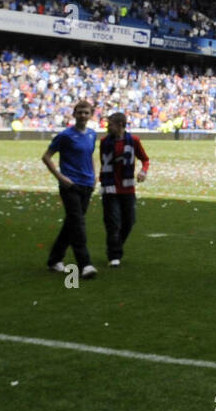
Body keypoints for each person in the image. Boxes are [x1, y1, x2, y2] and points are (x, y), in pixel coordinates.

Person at [42, 99, 98, 279]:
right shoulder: (65, 135)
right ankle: (85, 264)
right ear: (74, 114)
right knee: (78, 223)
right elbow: (46, 157)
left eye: (86, 112)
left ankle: (54, 259)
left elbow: (89, 156)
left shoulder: (92, 134)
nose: (83, 115)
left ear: (91, 115)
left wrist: (94, 176)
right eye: (79, 112)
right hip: (70, 185)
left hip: (87, 184)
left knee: (71, 223)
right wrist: (60, 177)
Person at [100, 110, 149, 265]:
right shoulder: (104, 142)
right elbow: (104, 164)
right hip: (110, 189)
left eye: (110, 125)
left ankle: (115, 247)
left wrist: (143, 171)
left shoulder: (133, 141)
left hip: (127, 188)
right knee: (113, 223)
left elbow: (145, 159)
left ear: (120, 125)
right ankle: (114, 256)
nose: (107, 127)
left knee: (129, 221)